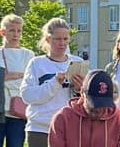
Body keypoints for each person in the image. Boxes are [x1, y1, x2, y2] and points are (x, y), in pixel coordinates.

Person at [20, 18, 85, 147]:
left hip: (70, 128)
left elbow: (87, 101)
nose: (62, 43)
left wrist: (80, 90)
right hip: (40, 129)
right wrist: (54, 83)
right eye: (57, 39)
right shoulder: (37, 63)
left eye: (65, 39)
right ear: (48, 39)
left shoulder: (77, 62)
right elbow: (27, 96)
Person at [0, 14, 35, 147]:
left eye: (19, 31)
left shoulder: (29, 54)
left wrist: (3, 77)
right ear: (3, 32)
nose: (16, 34)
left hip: (18, 112)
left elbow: (30, 81)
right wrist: (17, 76)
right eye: (12, 30)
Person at [48, 69, 120, 147]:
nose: (98, 109)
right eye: (93, 103)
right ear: (82, 92)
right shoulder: (62, 118)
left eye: (103, 104)